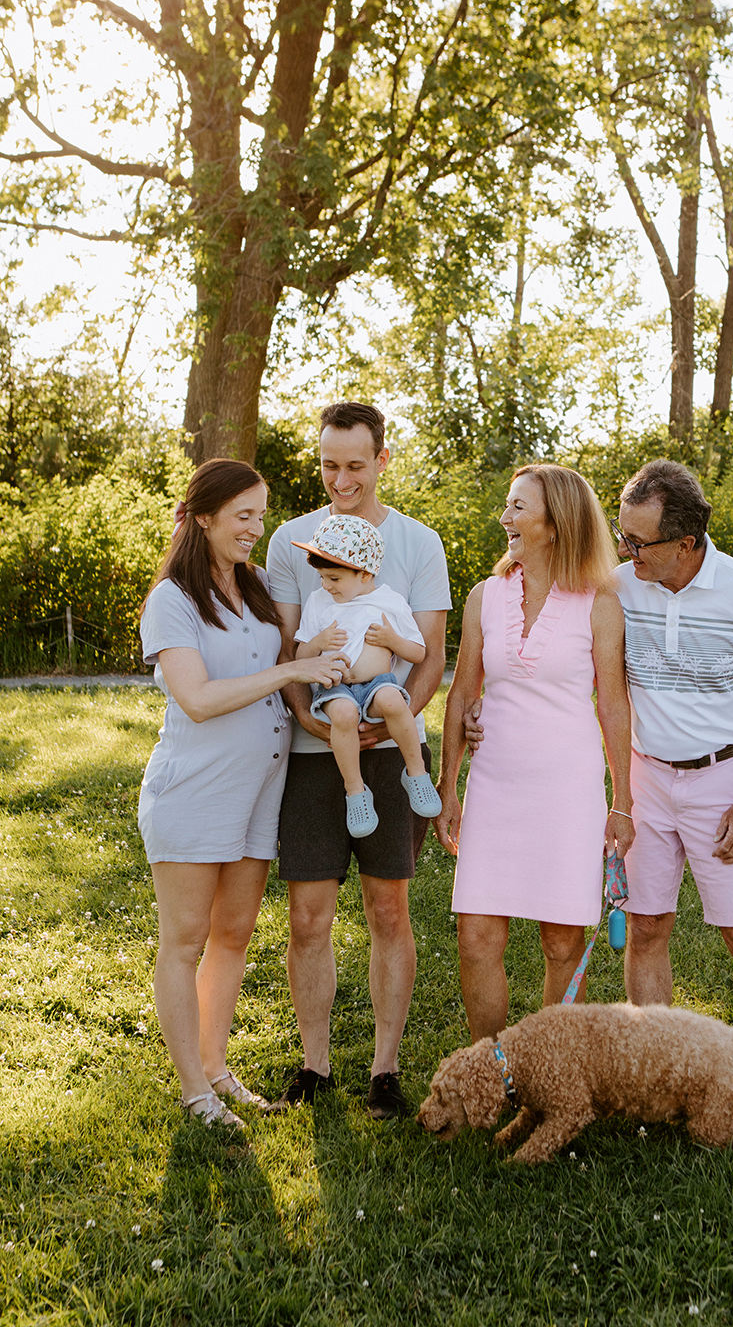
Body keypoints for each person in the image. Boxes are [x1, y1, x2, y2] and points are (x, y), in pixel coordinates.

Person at [138, 458, 345, 1129]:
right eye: (243, 516)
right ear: (203, 518)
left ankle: (216, 1065)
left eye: (261, 514)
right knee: (185, 939)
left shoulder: (255, 587)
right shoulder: (173, 598)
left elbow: (311, 651)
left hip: (260, 792)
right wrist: (291, 665)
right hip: (194, 793)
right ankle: (193, 1089)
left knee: (232, 935)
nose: (257, 528)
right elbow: (196, 699)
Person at [265, 402, 450, 1119]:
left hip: (391, 741)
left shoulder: (417, 542)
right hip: (315, 750)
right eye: (327, 465)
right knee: (308, 916)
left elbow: (429, 656)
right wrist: (305, 711)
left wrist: (392, 721)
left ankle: (384, 1069)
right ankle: (313, 1065)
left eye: (353, 464)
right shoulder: (289, 540)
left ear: (381, 460)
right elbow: (288, 649)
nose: (340, 479)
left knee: (387, 909)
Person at [609, 459, 733, 1111]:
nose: (624, 551)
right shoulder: (618, 588)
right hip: (643, 779)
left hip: (725, 783)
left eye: (638, 542)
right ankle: (657, 1073)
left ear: (686, 543)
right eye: (621, 536)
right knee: (645, 927)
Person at [434, 464, 634, 1042]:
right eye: (508, 504)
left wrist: (622, 801)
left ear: (556, 522)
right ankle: (487, 1070)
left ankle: (552, 1077)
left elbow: (613, 707)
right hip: (494, 785)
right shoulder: (484, 597)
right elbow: (462, 692)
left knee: (563, 943)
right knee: (475, 938)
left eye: (518, 507)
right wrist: (448, 786)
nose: (505, 518)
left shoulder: (599, 603)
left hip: (567, 792)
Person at [292, 515, 442, 836]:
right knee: (344, 714)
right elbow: (299, 658)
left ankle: (415, 773)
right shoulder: (320, 602)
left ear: (363, 573)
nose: (325, 585)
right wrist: (318, 643)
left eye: (333, 578)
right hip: (337, 687)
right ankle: (356, 791)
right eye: (322, 577)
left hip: (377, 685)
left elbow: (418, 653)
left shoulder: (390, 602)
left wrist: (392, 641)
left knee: (392, 700)